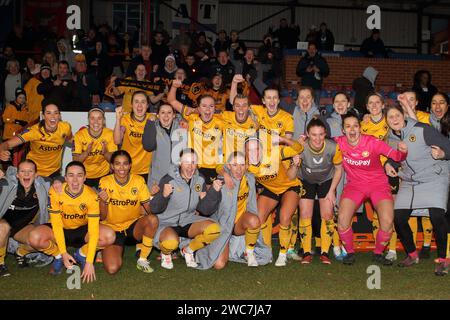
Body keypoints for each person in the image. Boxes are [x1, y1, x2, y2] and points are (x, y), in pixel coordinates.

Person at [384, 105, 450, 275]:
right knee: (398, 218)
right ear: (387, 120)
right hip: (410, 181)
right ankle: (412, 254)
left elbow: (447, 146)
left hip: (434, 177)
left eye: (397, 115)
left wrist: (442, 153)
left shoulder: (422, 129)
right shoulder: (389, 138)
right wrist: (389, 164)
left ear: (404, 115)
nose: (394, 119)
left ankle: (444, 259)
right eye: (390, 117)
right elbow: (395, 158)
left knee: (437, 216)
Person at [335, 112, 408, 265]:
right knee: (342, 219)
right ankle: (349, 252)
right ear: (343, 130)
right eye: (348, 126)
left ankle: (378, 253)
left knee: (387, 221)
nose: (352, 130)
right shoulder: (338, 143)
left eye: (355, 126)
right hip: (355, 185)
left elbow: (396, 156)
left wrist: (402, 151)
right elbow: (319, 142)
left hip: (378, 184)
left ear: (360, 128)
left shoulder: (373, 142)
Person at [28, 161, 115, 282]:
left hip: (82, 230)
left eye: (79, 175)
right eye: (71, 175)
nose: (75, 180)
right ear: (65, 178)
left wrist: (90, 261)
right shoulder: (55, 192)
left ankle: (81, 254)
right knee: (34, 237)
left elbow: (94, 230)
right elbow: (57, 225)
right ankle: (57, 256)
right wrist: (63, 253)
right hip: (61, 229)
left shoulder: (91, 196)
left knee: (109, 236)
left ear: (85, 178)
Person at [224, 134, 302, 267]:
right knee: (257, 218)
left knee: (284, 216)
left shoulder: (274, 154)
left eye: (257, 149)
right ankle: (252, 252)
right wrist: (225, 174)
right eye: (250, 150)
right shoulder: (246, 164)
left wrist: (283, 140)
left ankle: (282, 254)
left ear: (262, 149)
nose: (254, 153)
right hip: (270, 189)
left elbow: (298, 148)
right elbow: (222, 165)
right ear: (245, 152)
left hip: (289, 186)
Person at [196, 151, 271, 269]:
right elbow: (205, 209)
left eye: (242, 165)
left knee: (254, 220)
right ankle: (198, 248)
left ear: (246, 166)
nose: (239, 169)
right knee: (219, 265)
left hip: (238, 224)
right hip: (223, 226)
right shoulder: (222, 180)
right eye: (235, 165)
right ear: (229, 166)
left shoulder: (250, 179)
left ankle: (249, 253)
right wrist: (212, 192)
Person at [150, 148, 222, 269]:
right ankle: (166, 252)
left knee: (214, 229)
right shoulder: (168, 179)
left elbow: (205, 210)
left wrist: (214, 192)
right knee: (170, 243)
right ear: (179, 163)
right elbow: (154, 208)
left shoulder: (200, 180)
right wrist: (163, 196)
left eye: (193, 162)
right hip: (167, 222)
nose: (190, 166)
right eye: (186, 162)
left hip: (187, 220)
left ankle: (188, 250)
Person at [289, 119, 343, 264]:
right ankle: (306, 252)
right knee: (305, 214)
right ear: (307, 134)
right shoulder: (300, 147)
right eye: (313, 135)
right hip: (306, 180)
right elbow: (291, 176)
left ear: (325, 134)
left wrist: (332, 190)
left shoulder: (333, 147)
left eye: (320, 134)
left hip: (326, 180)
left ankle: (325, 252)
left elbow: (339, 169)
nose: (317, 139)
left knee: (327, 214)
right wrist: (294, 162)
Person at [98, 150, 159, 274]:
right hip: (112, 230)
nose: (122, 167)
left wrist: (153, 196)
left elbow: (149, 210)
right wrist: (103, 202)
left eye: (125, 163)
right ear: (112, 166)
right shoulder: (105, 182)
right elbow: (102, 216)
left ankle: (142, 259)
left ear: (130, 165)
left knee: (153, 219)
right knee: (112, 268)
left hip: (133, 228)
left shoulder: (139, 181)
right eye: (117, 164)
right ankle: (103, 249)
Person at [168, 80, 225, 186]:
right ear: (198, 108)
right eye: (204, 106)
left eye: (211, 106)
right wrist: (174, 87)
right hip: (193, 167)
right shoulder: (191, 117)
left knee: (208, 199)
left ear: (215, 108)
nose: (208, 109)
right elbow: (171, 100)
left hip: (211, 167)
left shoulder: (221, 122)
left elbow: (240, 111)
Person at [0, 160, 51, 277]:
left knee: (45, 238)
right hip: (3, 224)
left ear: (36, 174)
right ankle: (1, 263)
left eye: (30, 171)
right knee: (3, 227)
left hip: (21, 228)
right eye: (23, 171)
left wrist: (58, 181)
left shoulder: (42, 186)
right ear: (17, 175)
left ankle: (20, 252)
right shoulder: (6, 184)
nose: (26, 174)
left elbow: (62, 181)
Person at [0, 103, 72, 180]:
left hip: (54, 172)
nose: (53, 116)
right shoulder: (33, 131)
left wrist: (82, 144)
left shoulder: (65, 127)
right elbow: (7, 144)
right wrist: (2, 150)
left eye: (56, 113)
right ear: (43, 116)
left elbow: (71, 140)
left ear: (59, 116)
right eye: (48, 113)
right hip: (34, 172)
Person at [114, 91, 154, 182]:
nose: (139, 105)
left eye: (143, 102)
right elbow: (117, 141)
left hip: (148, 170)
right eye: (136, 102)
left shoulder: (152, 119)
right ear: (131, 105)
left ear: (147, 105)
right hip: (128, 169)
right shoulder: (125, 119)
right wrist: (118, 119)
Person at [72, 108, 117, 189]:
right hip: (85, 175)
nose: (96, 122)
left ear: (104, 121)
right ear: (88, 120)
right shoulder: (79, 135)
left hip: (104, 174)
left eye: (99, 118)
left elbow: (114, 161)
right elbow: (75, 162)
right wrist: (86, 153)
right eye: (92, 118)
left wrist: (106, 153)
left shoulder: (110, 134)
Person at [142, 103, 182, 192]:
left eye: (169, 112)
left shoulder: (181, 127)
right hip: (157, 179)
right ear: (158, 115)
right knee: (157, 204)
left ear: (174, 115)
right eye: (163, 112)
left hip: (177, 178)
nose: (166, 116)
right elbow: (148, 146)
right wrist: (150, 123)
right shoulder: (153, 127)